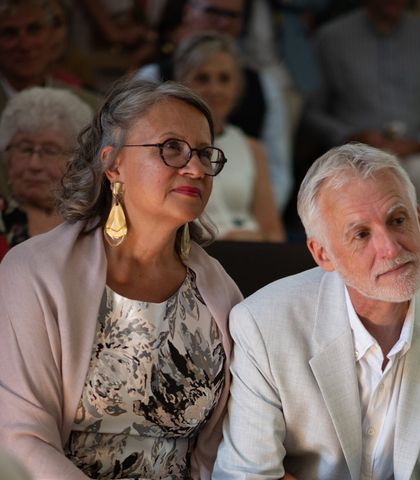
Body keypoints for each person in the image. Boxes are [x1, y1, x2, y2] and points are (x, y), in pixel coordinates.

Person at [0, 78, 243, 479]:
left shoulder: (219, 293)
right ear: (113, 164)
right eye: (171, 148)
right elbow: (20, 437)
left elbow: (221, 450)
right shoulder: (33, 272)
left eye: (204, 153)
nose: (196, 168)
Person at [213, 142, 420, 479]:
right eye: (361, 234)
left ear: (419, 220)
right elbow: (246, 475)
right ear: (323, 255)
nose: (391, 248)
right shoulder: (263, 326)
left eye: (398, 220)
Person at [302, 0, 420, 253]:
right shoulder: (332, 38)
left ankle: (416, 263)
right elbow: (313, 113)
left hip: (413, 153)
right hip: (352, 156)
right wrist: (351, 136)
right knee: (355, 185)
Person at [138, 0, 294, 212]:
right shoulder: (152, 78)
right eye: (213, 12)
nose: (223, 23)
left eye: (233, 16)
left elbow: (279, 169)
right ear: (188, 12)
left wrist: (258, 224)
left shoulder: (264, 87)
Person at [174, 31, 285, 242]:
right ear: (182, 82)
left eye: (224, 79)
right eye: (202, 78)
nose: (214, 89)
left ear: (237, 88)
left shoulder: (253, 148)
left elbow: (275, 234)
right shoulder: (169, 148)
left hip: (251, 256)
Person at [0, 0, 103, 196]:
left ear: (52, 36)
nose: (24, 44)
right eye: (9, 33)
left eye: (34, 29)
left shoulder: (92, 108)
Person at [0, 86, 92, 260]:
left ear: (77, 160)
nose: (34, 165)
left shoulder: (95, 224)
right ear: (7, 156)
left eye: (50, 151)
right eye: (25, 149)